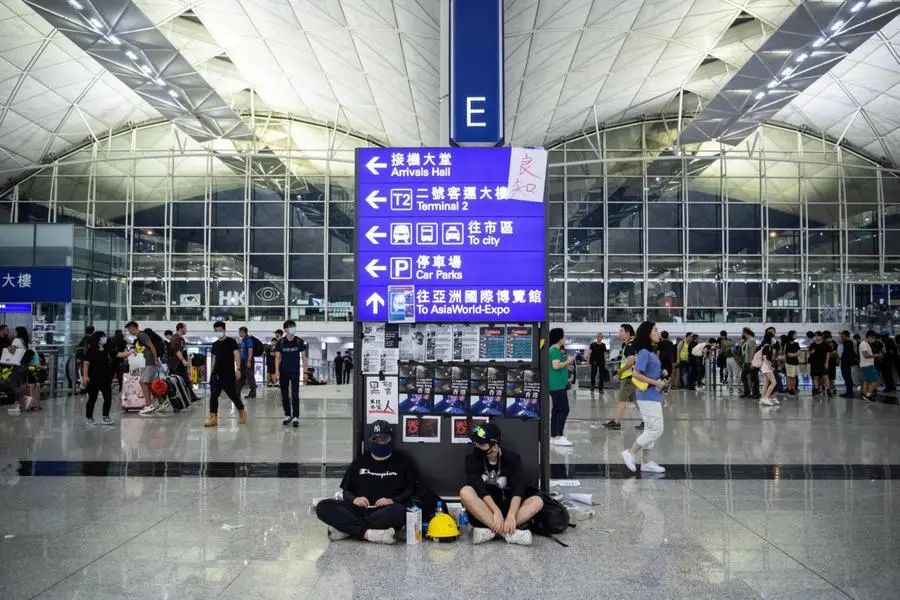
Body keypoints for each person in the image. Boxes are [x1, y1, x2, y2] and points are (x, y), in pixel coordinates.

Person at [315, 420, 418, 545]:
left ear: (391, 439)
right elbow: (346, 491)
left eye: (384, 439)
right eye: (376, 439)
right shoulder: (360, 461)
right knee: (323, 506)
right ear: (370, 440)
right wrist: (354, 499)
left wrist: (392, 501)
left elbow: (410, 490)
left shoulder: (403, 461)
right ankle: (370, 534)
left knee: (401, 512)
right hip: (358, 509)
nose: (380, 442)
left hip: (385, 511)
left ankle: (347, 529)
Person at [460, 422, 544, 546]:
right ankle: (509, 534)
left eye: (481, 443)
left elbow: (518, 490)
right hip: (485, 512)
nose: (477, 446)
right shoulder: (472, 459)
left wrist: (511, 515)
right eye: (476, 443)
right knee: (465, 492)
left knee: (538, 501)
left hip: (509, 510)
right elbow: (479, 489)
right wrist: (495, 512)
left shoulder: (512, 459)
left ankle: (492, 532)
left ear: (494, 445)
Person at [621, 321, 667, 474]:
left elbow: (648, 372)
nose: (657, 333)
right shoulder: (644, 353)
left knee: (649, 428)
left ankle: (646, 462)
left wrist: (662, 374)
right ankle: (630, 452)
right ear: (647, 333)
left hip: (653, 395)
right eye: (655, 330)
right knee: (656, 429)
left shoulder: (651, 352)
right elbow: (636, 373)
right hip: (648, 395)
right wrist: (656, 382)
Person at [203, 321, 246, 428]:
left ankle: (242, 412)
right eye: (216, 331)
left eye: (220, 330)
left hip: (228, 374)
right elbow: (214, 359)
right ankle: (213, 418)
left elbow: (236, 355)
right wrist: (211, 374)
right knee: (213, 396)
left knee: (233, 395)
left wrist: (238, 369)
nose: (218, 332)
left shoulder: (231, 342)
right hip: (216, 375)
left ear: (224, 329)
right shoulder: (215, 344)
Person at [125, 321, 167, 415]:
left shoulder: (142, 335)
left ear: (132, 328)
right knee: (148, 383)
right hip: (146, 362)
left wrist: (155, 359)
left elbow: (151, 347)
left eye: (129, 329)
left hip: (149, 362)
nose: (129, 332)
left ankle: (149, 405)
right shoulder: (139, 337)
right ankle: (161, 401)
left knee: (144, 382)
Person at [604, 324, 638, 430]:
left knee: (622, 399)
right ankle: (648, 421)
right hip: (630, 376)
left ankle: (616, 422)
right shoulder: (628, 344)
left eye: (621, 331)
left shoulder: (630, 345)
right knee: (636, 400)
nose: (619, 334)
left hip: (629, 376)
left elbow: (631, 361)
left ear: (628, 333)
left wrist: (621, 370)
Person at [275, 319, 308, 427]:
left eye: (294, 327)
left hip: (295, 372)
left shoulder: (299, 341)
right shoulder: (281, 342)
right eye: (290, 327)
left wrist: (305, 371)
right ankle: (287, 415)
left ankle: (295, 417)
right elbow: (278, 357)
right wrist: (276, 372)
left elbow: (304, 357)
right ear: (285, 329)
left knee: (295, 395)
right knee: (284, 395)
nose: (293, 329)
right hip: (283, 371)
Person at [81, 331, 115, 426]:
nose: (104, 338)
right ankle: (89, 417)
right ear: (97, 339)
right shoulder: (91, 351)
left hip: (105, 377)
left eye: (104, 336)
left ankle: (105, 416)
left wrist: (130, 353)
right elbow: (86, 364)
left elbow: (117, 354)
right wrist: (85, 376)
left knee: (108, 397)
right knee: (92, 398)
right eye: (102, 337)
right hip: (93, 377)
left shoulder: (106, 350)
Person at [6, 326, 40, 415]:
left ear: (19, 332)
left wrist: (8, 345)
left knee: (12, 384)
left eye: (15, 332)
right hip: (23, 367)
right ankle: (17, 406)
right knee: (17, 385)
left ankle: (26, 397)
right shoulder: (25, 342)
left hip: (17, 367)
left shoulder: (17, 340)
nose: (14, 333)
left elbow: (11, 351)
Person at [548, 327, 573, 446]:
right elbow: (556, 366)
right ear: (559, 338)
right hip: (556, 386)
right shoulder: (554, 351)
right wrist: (569, 361)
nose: (564, 339)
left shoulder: (557, 351)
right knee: (564, 409)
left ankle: (554, 435)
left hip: (558, 385)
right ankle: (559, 435)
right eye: (563, 336)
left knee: (557, 410)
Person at [807, 331, 831, 397]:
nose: (817, 337)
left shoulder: (825, 344)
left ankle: (828, 390)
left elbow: (828, 353)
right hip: (814, 362)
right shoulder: (813, 344)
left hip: (823, 362)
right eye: (815, 336)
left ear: (821, 336)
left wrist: (827, 362)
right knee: (815, 377)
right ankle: (816, 389)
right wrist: (811, 352)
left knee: (825, 376)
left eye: (818, 336)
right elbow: (809, 352)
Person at [859, 330, 881, 402]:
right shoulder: (864, 344)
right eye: (873, 338)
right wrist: (876, 355)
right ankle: (868, 395)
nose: (874, 340)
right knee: (875, 380)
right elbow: (865, 355)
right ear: (869, 337)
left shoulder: (866, 344)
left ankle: (865, 395)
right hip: (867, 365)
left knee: (866, 381)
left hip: (866, 365)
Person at [758, 336, 779, 407]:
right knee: (774, 382)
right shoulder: (767, 346)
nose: (774, 339)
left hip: (764, 366)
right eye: (773, 338)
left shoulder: (766, 346)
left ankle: (762, 398)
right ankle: (766, 398)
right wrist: (770, 366)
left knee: (766, 383)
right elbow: (764, 357)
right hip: (766, 366)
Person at [237, 326, 257, 399]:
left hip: (248, 360)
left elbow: (250, 350)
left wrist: (249, 361)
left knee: (250, 377)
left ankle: (253, 393)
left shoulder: (248, 340)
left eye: (239, 332)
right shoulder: (243, 340)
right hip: (243, 361)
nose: (239, 333)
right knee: (241, 377)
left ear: (243, 332)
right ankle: (237, 392)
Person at [739, 328, 759, 399]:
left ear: (745, 332)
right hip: (747, 362)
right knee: (743, 376)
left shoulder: (752, 340)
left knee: (754, 378)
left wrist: (752, 362)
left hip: (750, 362)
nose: (742, 333)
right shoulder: (748, 341)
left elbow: (753, 351)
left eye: (742, 332)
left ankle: (755, 393)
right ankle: (747, 392)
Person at [839, 330, 858, 398]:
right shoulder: (847, 342)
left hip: (846, 363)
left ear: (846, 336)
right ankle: (848, 392)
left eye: (842, 336)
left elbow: (847, 353)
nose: (841, 337)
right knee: (846, 377)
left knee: (847, 377)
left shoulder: (848, 342)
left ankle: (849, 392)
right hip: (845, 362)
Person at [784, 331, 800, 396]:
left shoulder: (797, 344)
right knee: (790, 376)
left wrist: (793, 354)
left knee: (794, 376)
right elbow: (787, 354)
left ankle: (793, 388)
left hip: (796, 362)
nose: (796, 335)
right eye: (795, 334)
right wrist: (795, 354)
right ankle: (789, 389)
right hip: (789, 362)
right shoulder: (786, 344)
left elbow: (799, 352)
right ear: (791, 335)